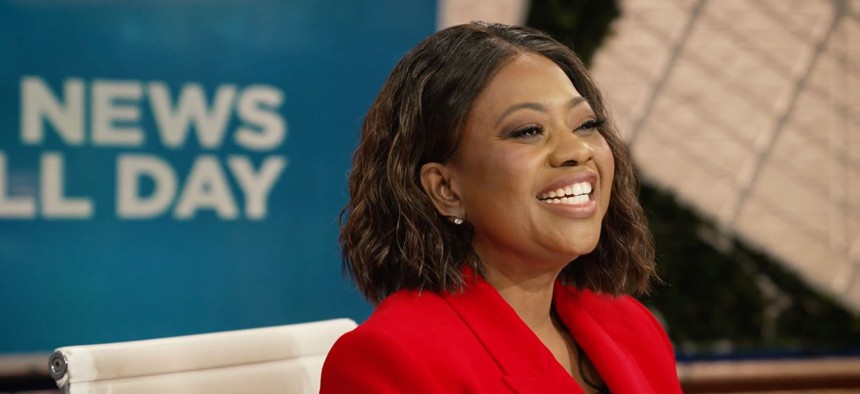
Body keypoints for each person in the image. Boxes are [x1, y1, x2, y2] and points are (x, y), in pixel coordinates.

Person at [320, 22, 682, 393]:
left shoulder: (632, 327)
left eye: (586, 125)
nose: (577, 151)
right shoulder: (392, 358)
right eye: (527, 130)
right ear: (445, 188)